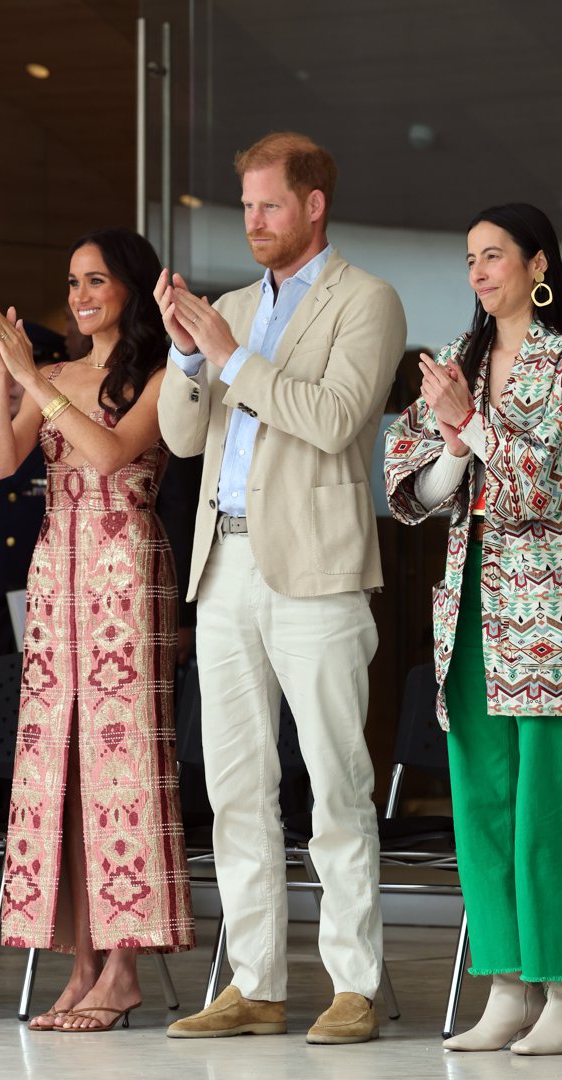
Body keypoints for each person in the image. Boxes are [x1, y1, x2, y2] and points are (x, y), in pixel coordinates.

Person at [154, 131, 407, 1044]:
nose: (253, 221)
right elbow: (185, 439)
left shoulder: (367, 301)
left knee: (337, 781)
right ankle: (255, 982)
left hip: (318, 572)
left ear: (313, 206)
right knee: (234, 787)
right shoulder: (225, 308)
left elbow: (336, 420)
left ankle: (355, 984)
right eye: (247, 205)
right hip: (223, 565)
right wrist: (188, 359)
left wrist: (227, 356)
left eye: (268, 205)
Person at [0, 227, 194, 1034]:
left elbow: (110, 455)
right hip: (55, 569)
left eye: (96, 279)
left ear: (130, 289)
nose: (80, 295)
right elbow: (4, 464)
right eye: (72, 282)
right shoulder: (54, 372)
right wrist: (8, 378)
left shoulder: (162, 374)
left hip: (125, 563)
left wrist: (39, 378)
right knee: (59, 757)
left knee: (121, 754)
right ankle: (79, 964)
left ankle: (126, 965)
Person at [385, 202, 562, 1057]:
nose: (479, 272)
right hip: (471, 613)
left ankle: (559, 984)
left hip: (551, 613)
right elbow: (409, 492)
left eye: (495, 256)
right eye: (468, 260)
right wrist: (454, 440)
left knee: (545, 807)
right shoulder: (455, 365)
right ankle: (506, 987)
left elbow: (543, 490)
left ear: (539, 265)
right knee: (482, 801)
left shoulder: (561, 362)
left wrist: (474, 426)